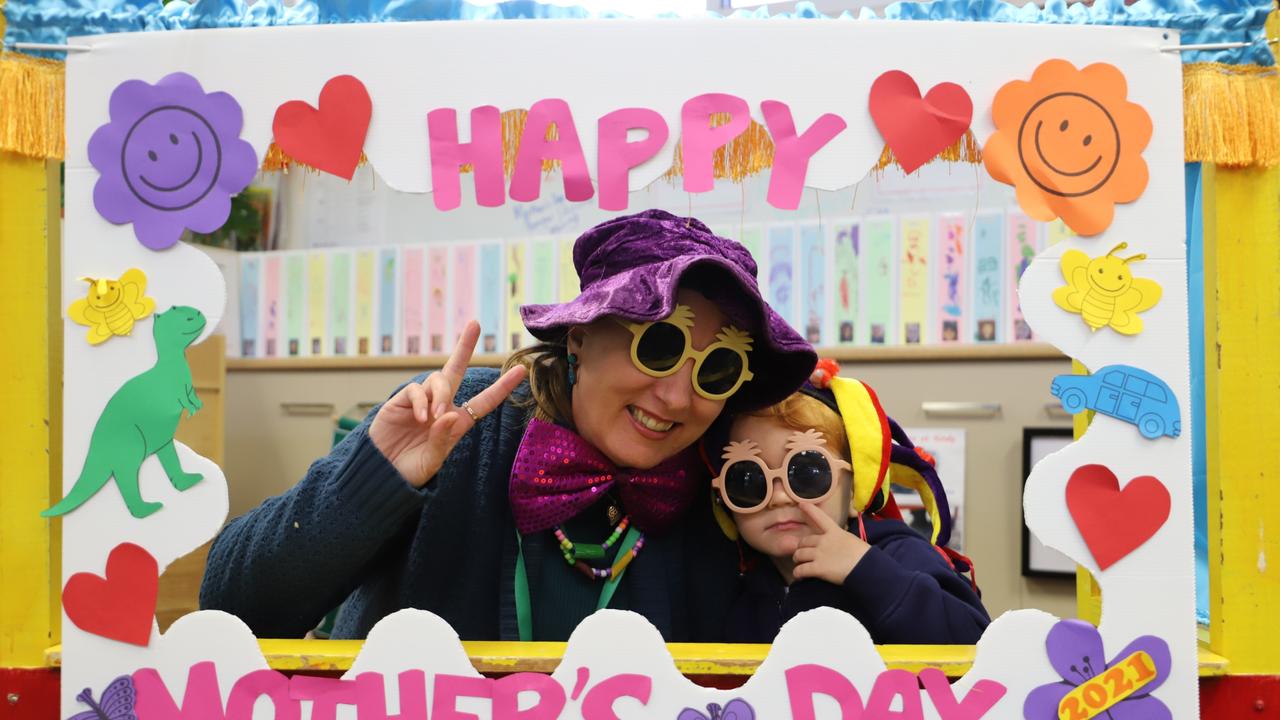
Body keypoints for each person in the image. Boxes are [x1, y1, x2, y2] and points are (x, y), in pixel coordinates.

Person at [199, 210, 816, 641]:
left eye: (718, 369)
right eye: (656, 347)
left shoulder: (724, 478)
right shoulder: (463, 428)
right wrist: (371, 482)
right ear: (579, 337)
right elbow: (232, 604)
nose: (679, 395)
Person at [705, 361, 990, 644]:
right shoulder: (741, 594)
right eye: (748, 479)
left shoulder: (901, 555)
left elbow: (975, 642)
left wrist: (865, 569)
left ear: (855, 489)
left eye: (806, 473)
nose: (779, 497)